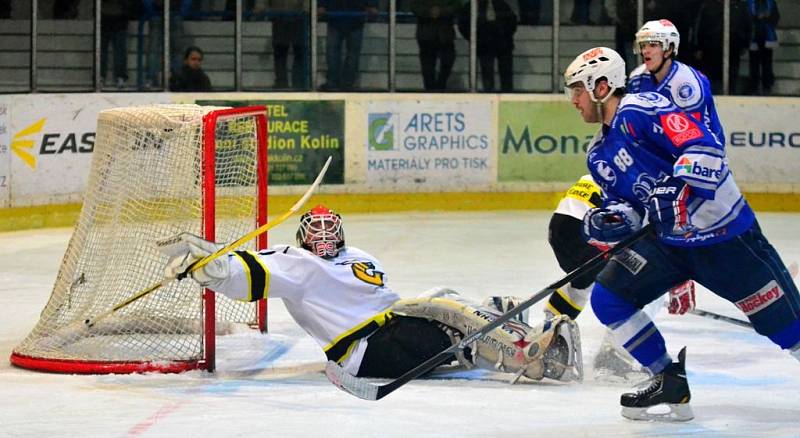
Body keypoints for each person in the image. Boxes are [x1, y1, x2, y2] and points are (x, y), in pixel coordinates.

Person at [563, 46, 800, 421]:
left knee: (790, 331)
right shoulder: (598, 154)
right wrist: (609, 219)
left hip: (724, 237)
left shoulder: (645, 109)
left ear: (603, 85)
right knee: (609, 298)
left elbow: (706, 149)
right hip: (669, 246)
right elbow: (631, 208)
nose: (573, 100)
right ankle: (667, 379)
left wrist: (676, 190)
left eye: (577, 89)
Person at [157, 204, 582, 382]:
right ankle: (528, 357)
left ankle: (500, 330)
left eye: (330, 229)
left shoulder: (356, 254)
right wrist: (210, 268)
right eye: (316, 231)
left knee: (451, 299)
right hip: (366, 350)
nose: (324, 236)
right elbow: (247, 274)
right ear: (302, 237)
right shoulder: (294, 262)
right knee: (447, 310)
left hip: (390, 330)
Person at [628, 19, 724, 145]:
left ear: (669, 49)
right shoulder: (637, 78)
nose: (645, 51)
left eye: (652, 45)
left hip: (703, 153)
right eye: (643, 45)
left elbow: (695, 138)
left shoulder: (688, 84)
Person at [692, 0, 752, 94]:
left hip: (734, 47)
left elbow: (747, 25)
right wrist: (698, 47)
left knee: (731, 74)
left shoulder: (740, 6)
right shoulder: (709, 6)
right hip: (711, 48)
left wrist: (745, 44)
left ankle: (730, 94)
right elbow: (699, 26)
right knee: (712, 75)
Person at [457, 0, 517, 92]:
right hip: (484, 45)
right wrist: (474, 38)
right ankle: (489, 94)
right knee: (487, 75)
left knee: (506, 74)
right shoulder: (470, 6)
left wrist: (504, 34)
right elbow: (463, 25)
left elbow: (512, 22)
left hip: (503, 44)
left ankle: (508, 94)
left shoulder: (501, 4)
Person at [318, 0, 378, 91]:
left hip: (342, 18)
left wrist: (322, 5)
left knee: (337, 53)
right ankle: (345, 83)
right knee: (344, 54)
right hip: (349, 18)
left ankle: (337, 82)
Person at [409, 0, 460, 91]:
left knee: (448, 59)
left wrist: (441, 12)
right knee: (427, 67)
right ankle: (430, 90)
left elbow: (456, 5)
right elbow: (414, 6)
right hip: (426, 33)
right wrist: (429, 12)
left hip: (445, 32)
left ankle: (441, 84)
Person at [268, 0, 309, 90]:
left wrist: (307, 9)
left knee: (299, 52)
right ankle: (281, 82)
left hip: (298, 17)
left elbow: (307, 4)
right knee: (280, 52)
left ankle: (298, 82)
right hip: (279, 17)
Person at [747, 0, 779, 95]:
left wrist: (766, 17)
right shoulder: (750, 2)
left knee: (767, 64)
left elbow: (776, 17)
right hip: (754, 34)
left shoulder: (770, 2)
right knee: (754, 64)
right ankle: (754, 86)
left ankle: (767, 86)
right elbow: (746, 17)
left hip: (767, 34)